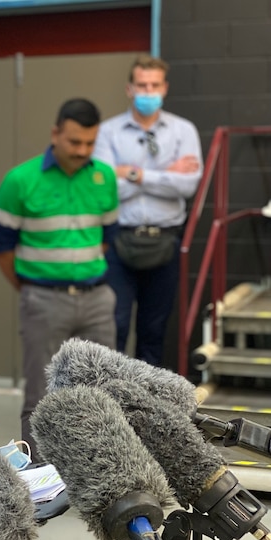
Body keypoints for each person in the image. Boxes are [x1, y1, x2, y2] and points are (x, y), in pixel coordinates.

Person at [0, 98, 118, 460]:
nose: (82, 151)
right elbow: (2, 245)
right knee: (41, 394)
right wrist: (31, 286)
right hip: (43, 299)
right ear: (55, 133)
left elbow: (109, 235)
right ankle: (41, 476)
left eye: (89, 143)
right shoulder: (20, 180)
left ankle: (100, 469)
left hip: (97, 299)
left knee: (104, 389)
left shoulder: (104, 177)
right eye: (74, 142)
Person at [93, 54, 203, 367]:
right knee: (115, 326)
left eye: (154, 85)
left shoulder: (184, 131)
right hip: (118, 242)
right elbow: (105, 189)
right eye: (142, 85)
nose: (148, 92)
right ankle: (108, 404)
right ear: (129, 89)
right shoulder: (108, 132)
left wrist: (132, 173)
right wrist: (166, 172)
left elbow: (187, 186)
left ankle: (146, 410)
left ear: (165, 88)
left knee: (153, 331)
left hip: (165, 243)